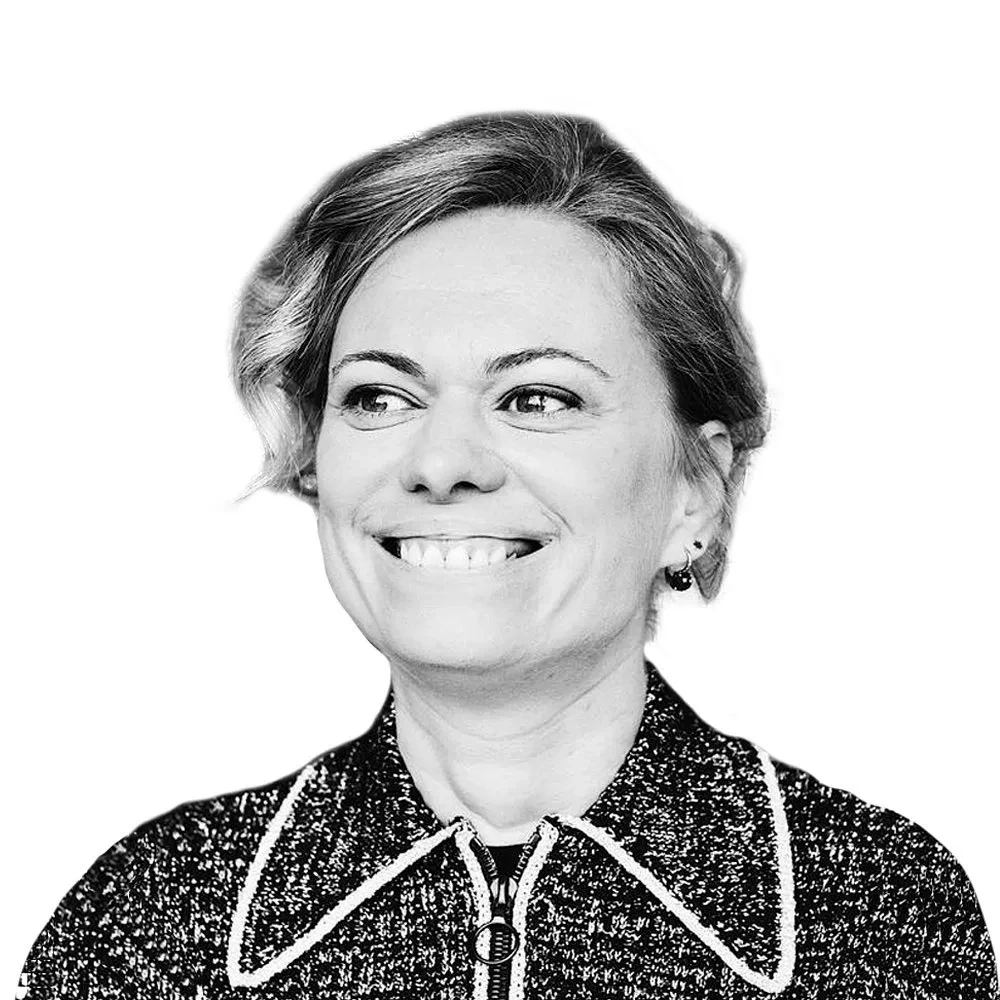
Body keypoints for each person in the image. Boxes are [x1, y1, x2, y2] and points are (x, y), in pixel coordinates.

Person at [18, 112, 997, 999]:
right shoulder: (152, 917)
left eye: (537, 398)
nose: (441, 462)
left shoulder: (875, 912)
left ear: (694, 489)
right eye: (378, 396)